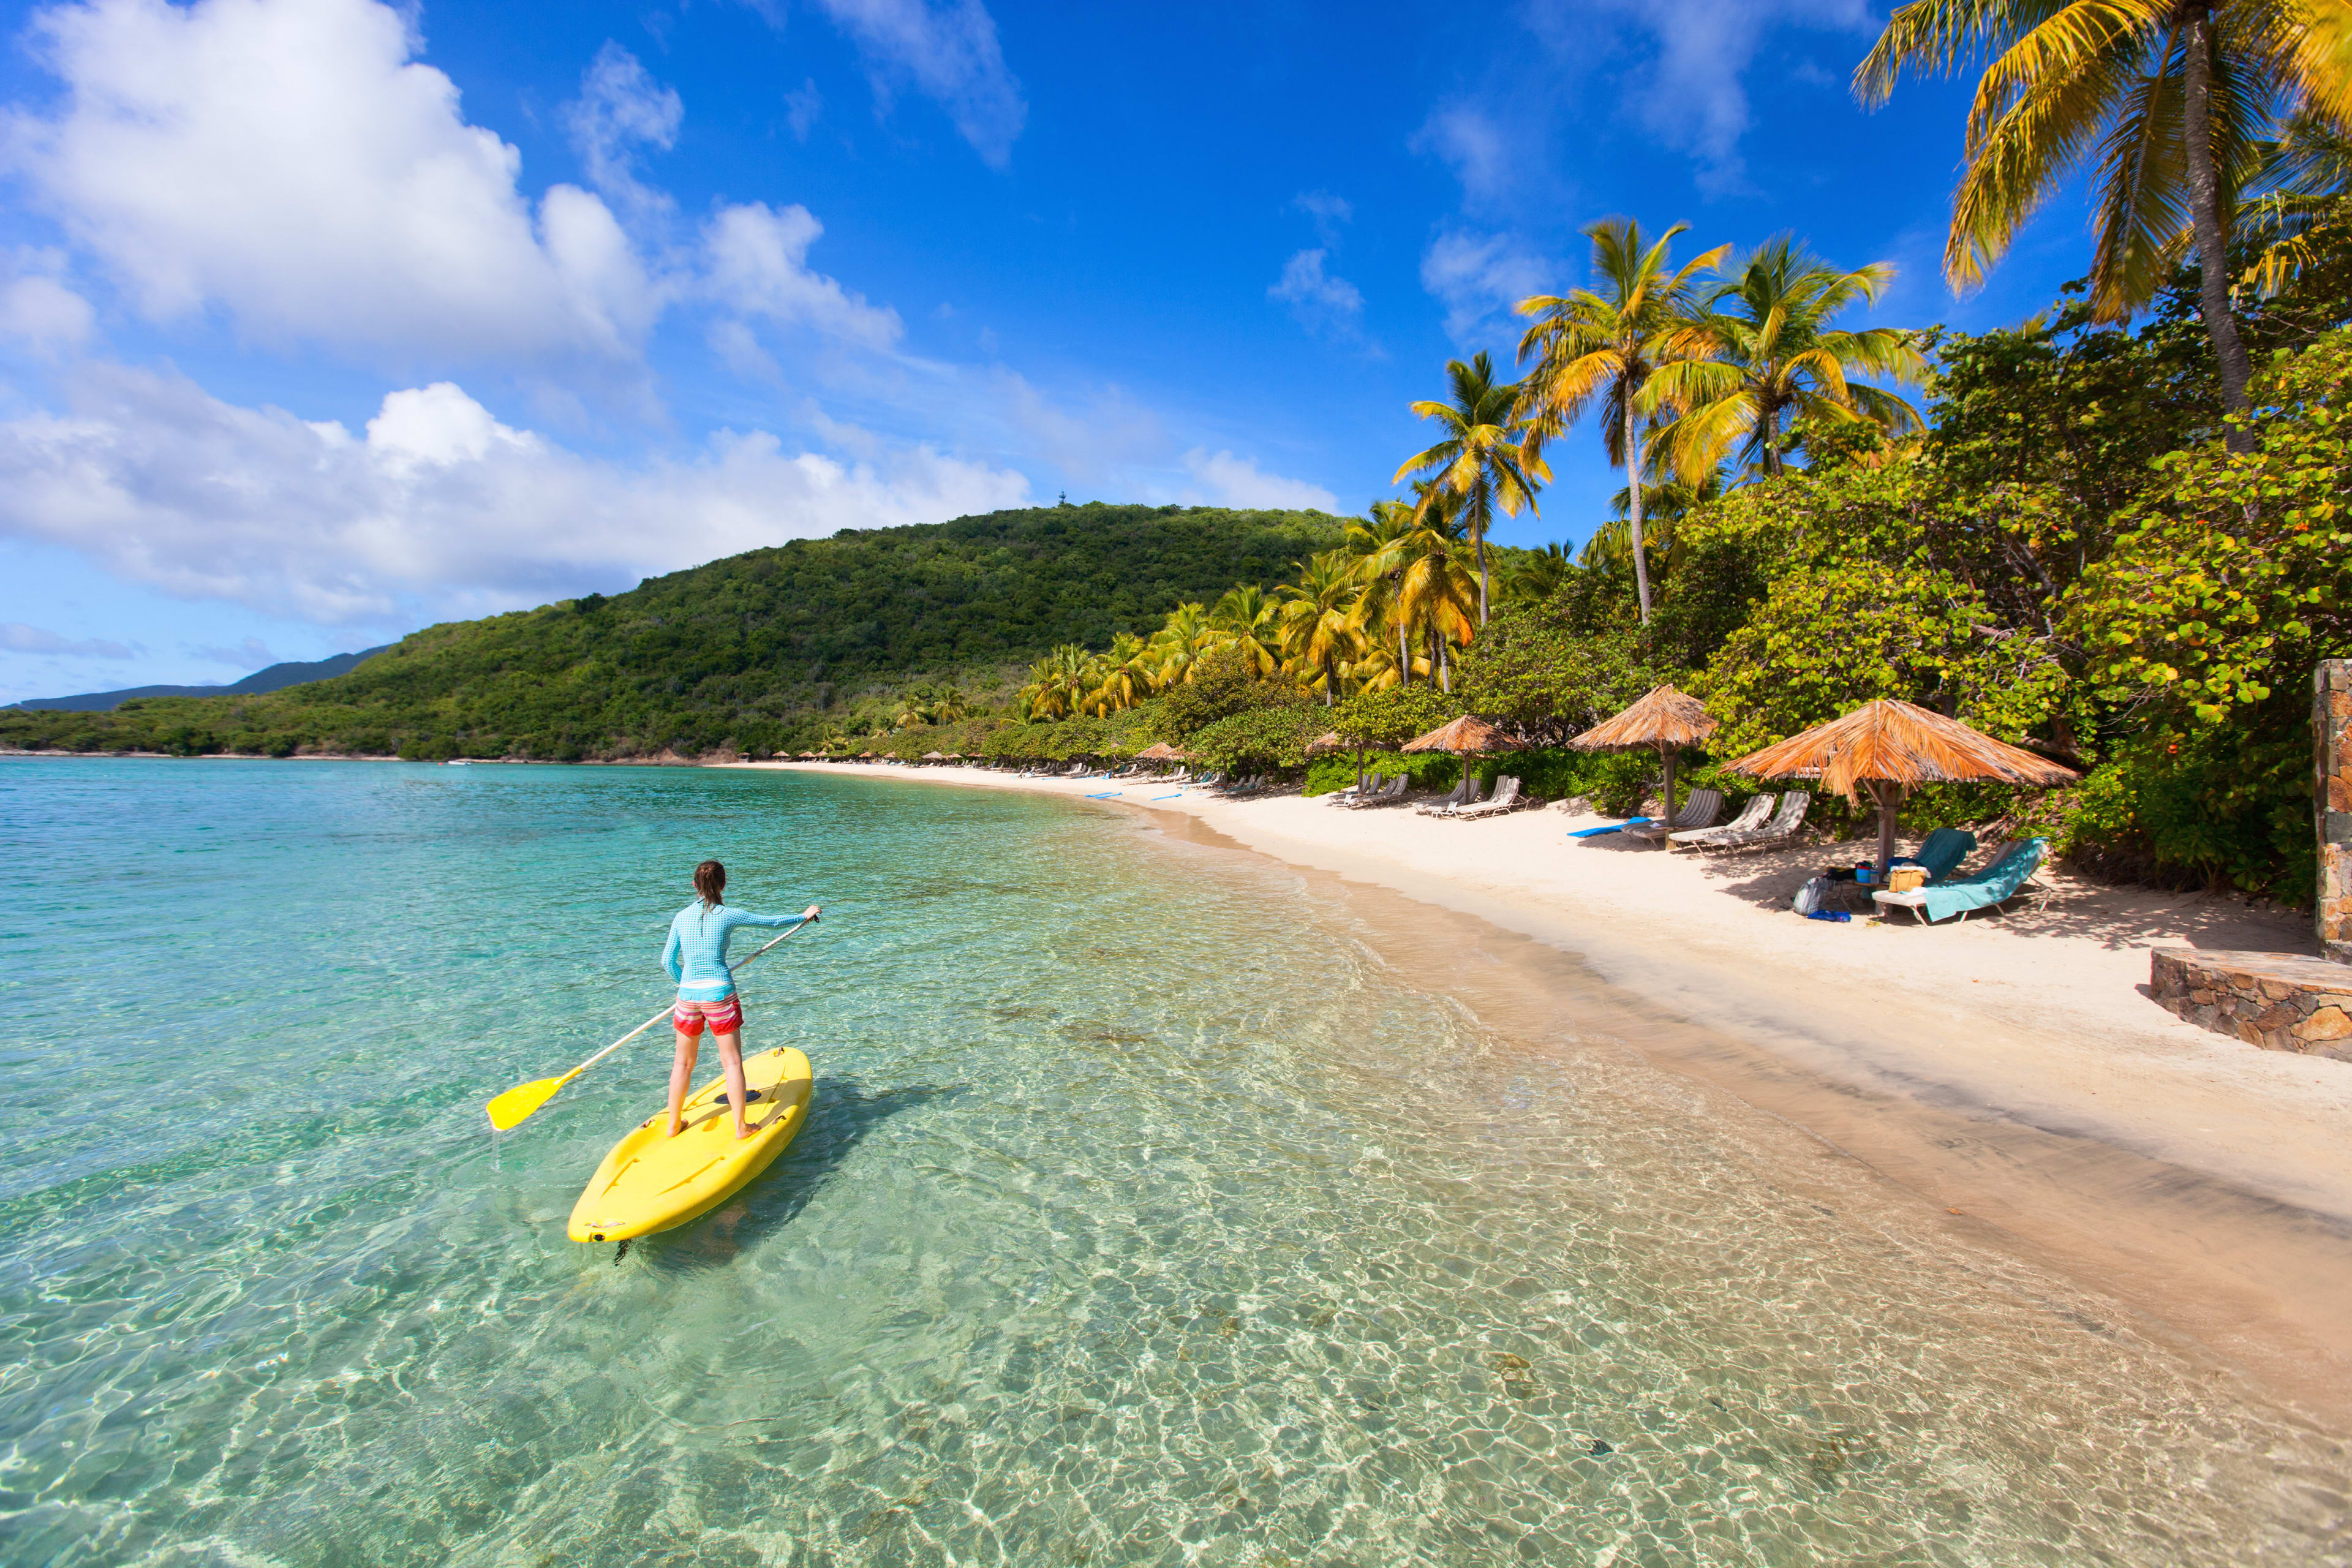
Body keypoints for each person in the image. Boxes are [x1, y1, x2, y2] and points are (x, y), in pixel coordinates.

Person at [662, 859, 818, 1140]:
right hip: (719, 993)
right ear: (723, 884)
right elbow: (770, 922)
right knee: (731, 1063)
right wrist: (803, 915)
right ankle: (740, 1128)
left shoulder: (680, 917)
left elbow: (667, 962)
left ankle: (674, 1124)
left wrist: (687, 984)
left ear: (694, 885)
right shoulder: (727, 915)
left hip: (687, 996)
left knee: (682, 1064)